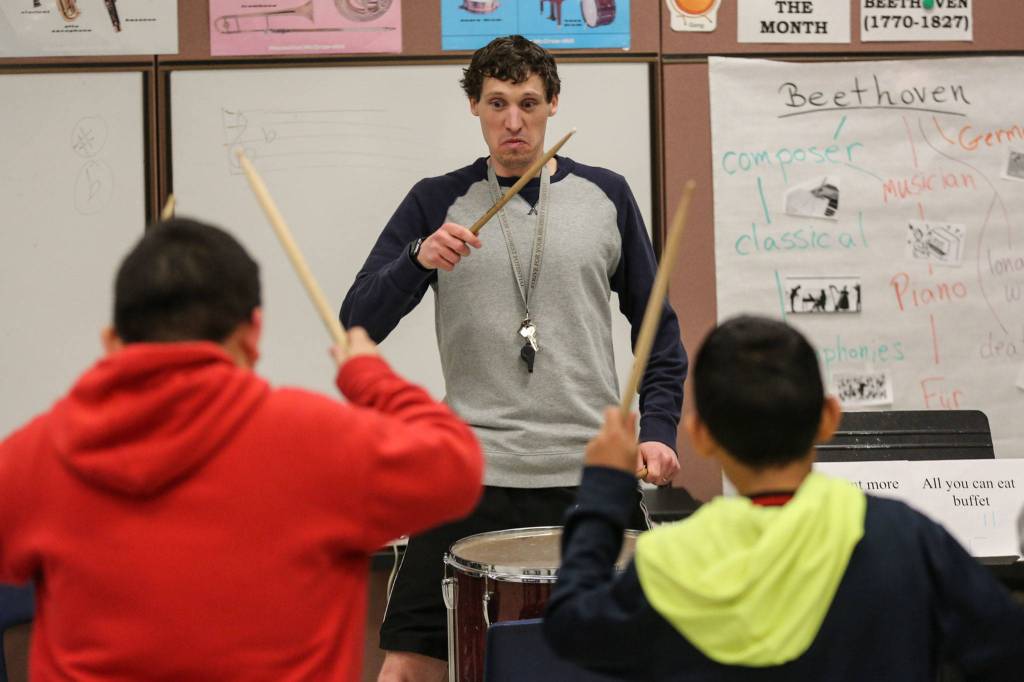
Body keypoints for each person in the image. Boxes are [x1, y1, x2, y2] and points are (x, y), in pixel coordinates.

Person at [0, 218, 484, 682]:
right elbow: (455, 466)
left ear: (111, 342)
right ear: (253, 335)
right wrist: (368, 374)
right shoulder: (317, 443)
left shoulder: (31, 459)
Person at [340, 35, 687, 681]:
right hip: (467, 469)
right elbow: (357, 321)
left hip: (588, 472)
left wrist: (660, 430)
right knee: (408, 662)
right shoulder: (434, 201)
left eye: (528, 102)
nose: (514, 121)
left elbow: (659, 334)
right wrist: (418, 259)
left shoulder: (605, 195)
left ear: (553, 103)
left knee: (630, 660)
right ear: (474, 106)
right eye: (496, 103)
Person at [545, 315, 1024, 681]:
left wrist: (605, 488)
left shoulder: (665, 563)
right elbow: (1006, 649)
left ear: (701, 437)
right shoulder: (905, 538)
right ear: (829, 419)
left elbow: (570, 626)